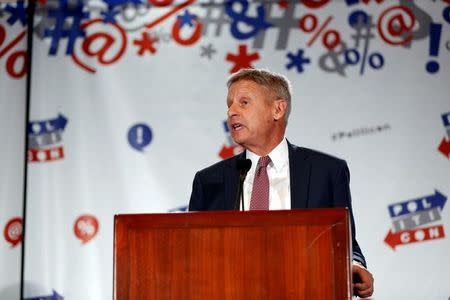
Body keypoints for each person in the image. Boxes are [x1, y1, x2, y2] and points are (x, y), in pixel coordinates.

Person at [189, 68, 374, 298]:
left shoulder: (326, 172)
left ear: (277, 109)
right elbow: (193, 258)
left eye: (244, 102)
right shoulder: (209, 181)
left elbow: (345, 243)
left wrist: (356, 268)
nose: (231, 111)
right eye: (229, 104)